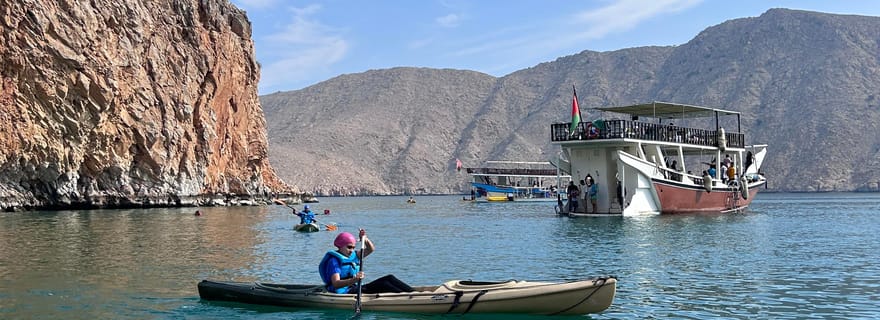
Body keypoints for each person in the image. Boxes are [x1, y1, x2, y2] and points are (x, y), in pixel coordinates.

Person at [319, 229, 413, 294]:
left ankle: (413, 293)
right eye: (349, 247)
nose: (351, 250)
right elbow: (336, 284)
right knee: (384, 284)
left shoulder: (354, 256)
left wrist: (365, 239)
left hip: (356, 287)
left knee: (389, 278)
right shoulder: (334, 261)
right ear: (340, 245)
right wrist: (353, 280)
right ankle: (409, 298)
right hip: (344, 291)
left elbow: (370, 249)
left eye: (353, 247)